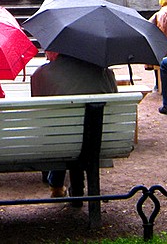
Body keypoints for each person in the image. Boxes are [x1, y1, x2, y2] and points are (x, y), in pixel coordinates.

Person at [30, 51, 117, 204]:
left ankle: (56, 184)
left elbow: (39, 113)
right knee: (80, 131)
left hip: (60, 140)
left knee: (61, 131)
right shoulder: (106, 73)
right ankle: (72, 187)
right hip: (98, 141)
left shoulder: (41, 74)